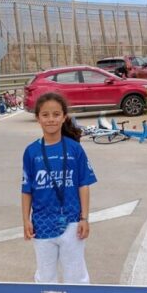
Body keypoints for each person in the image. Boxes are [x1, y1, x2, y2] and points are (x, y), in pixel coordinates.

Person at [21, 92, 96, 283]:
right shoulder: (31, 152)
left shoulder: (74, 149)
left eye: (56, 114)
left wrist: (84, 218)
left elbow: (83, 185)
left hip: (72, 222)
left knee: (76, 276)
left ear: (64, 117)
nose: (51, 119)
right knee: (46, 277)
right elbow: (26, 189)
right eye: (45, 115)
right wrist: (26, 220)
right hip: (42, 223)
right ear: (38, 118)